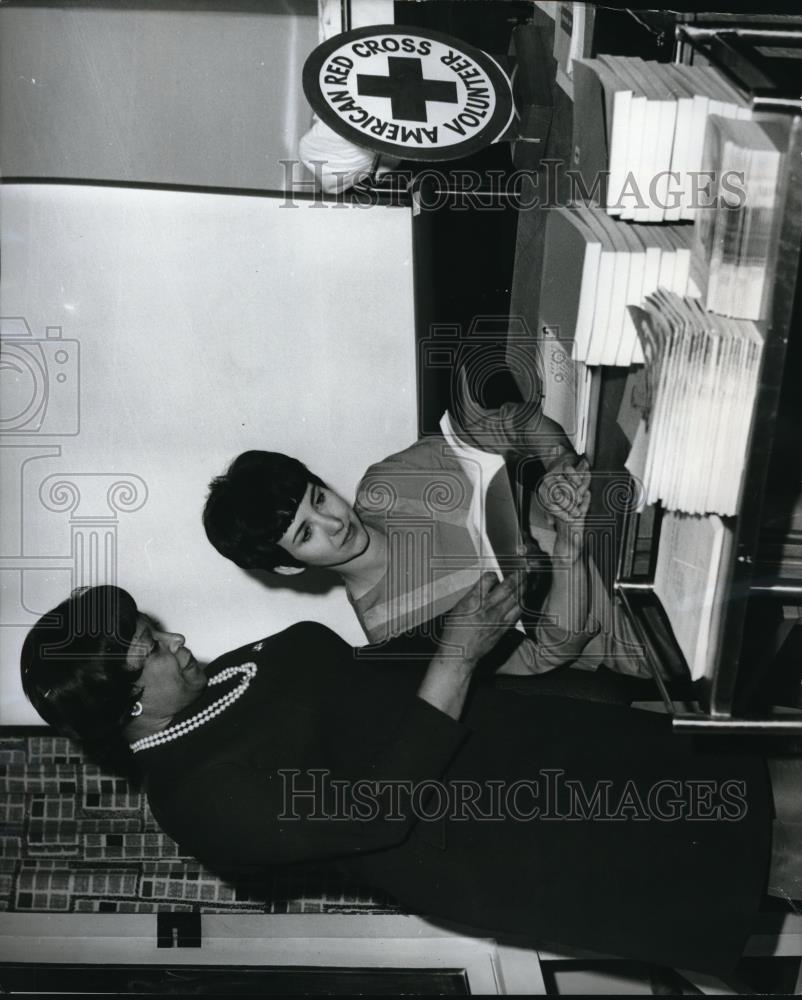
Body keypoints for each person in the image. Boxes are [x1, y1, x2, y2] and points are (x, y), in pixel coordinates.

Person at [20, 584, 801, 974]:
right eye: (150, 652)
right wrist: (456, 656)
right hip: (529, 829)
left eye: (153, 631)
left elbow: (357, 681)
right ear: (126, 711)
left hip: (532, 747)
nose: (178, 641)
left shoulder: (214, 682)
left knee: (767, 776)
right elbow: (376, 810)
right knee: (772, 834)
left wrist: (471, 614)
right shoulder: (199, 800)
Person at [202, 383, 612, 679]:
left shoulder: (387, 484)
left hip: (605, 494)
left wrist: (557, 462)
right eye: (305, 535)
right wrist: (569, 549)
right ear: (290, 567)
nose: (334, 523)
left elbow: (508, 424)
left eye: (320, 498)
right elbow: (551, 651)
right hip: (618, 611)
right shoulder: (394, 632)